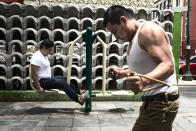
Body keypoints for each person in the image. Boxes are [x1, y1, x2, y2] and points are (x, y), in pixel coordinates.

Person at [103, 5, 179, 131]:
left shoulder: (148, 31)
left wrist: (144, 81)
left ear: (123, 20)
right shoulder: (135, 38)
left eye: (115, 31)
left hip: (160, 103)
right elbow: (145, 69)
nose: (115, 37)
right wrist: (122, 73)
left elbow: (168, 65)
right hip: (153, 103)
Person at [30, 39, 88, 105]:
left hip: (46, 79)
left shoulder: (43, 55)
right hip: (41, 82)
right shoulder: (37, 57)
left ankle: (79, 93)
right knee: (62, 83)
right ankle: (78, 99)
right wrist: (39, 88)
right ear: (44, 48)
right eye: (49, 50)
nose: (50, 52)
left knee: (65, 79)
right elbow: (34, 73)